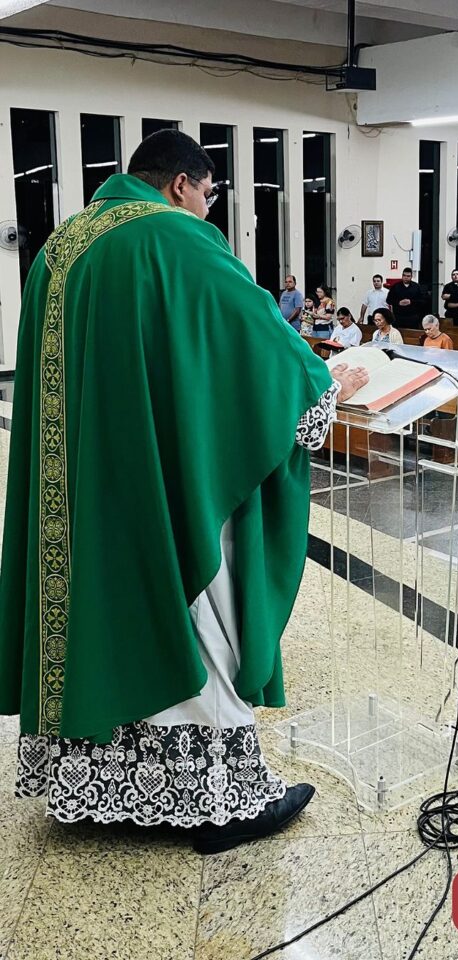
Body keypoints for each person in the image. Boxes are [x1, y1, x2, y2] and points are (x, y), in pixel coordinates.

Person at [0, 129, 371, 855]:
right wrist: (329, 382)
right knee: (193, 613)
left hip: (77, 489)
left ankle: (96, 787)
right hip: (160, 482)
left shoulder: (60, 247)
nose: (208, 210)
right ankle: (218, 805)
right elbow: (256, 342)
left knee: (93, 616)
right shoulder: (175, 237)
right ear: (182, 185)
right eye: (209, 194)